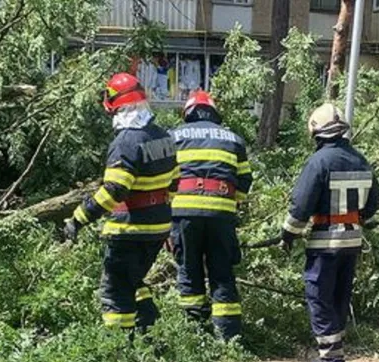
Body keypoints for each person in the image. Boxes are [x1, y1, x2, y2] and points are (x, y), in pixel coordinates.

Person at [64, 72, 179, 332]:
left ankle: (117, 357)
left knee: (114, 293)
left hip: (130, 230)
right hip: (158, 228)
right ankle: (149, 330)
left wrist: (79, 217)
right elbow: (174, 181)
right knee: (132, 281)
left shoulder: (126, 141)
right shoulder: (163, 137)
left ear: (115, 105)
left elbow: (115, 189)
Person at [280, 103, 379, 362]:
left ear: (317, 133)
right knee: (339, 295)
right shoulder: (361, 160)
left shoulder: (319, 162)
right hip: (352, 242)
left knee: (319, 295)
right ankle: (336, 351)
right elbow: (372, 204)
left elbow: (301, 205)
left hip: (325, 244)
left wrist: (288, 233)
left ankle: (331, 360)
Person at [169, 90, 253, 340]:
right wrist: (229, 206)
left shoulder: (172, 137)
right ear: (214, 112)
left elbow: (161, 179)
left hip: (184, 214)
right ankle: (228, 339)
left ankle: (194, 334)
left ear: (187, 113)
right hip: (221, 214)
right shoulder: (234, 140)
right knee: (222, 273)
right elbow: (245, 181)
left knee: (188, 270)